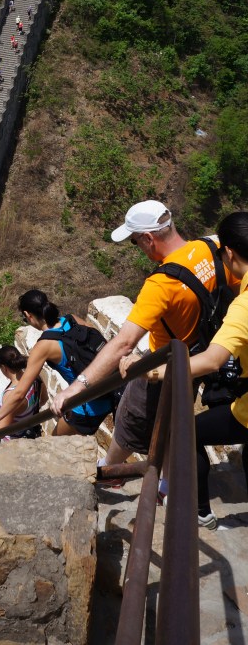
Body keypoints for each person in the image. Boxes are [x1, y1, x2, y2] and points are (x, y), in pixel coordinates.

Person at [52, 200, 239, 466]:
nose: (138, 248)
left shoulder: (161, 284)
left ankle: (112, 470)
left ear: (149, 239)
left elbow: (124, 343)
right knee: (178, 417)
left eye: (135, 241)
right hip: (207, 351)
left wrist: (76, 387)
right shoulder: (214, 246)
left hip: (166, 362)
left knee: (133, 418)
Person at [122, 212, 248, 529]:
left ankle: (199, 511)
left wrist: (151, 372)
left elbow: (211, 361)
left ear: (230, 252)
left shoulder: (244, 306)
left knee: (185, 433)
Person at [0, 291, 114, 440]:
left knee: (52, 445)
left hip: (87, 406)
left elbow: (18, 393)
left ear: (28, 315)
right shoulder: (72, 320)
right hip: (110, 391)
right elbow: (103, 348)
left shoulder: (43, 346)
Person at [0, 345, 45, 438]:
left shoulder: (10, 395)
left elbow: (1, 430)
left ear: (4, 367)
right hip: (33, 433)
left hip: (15, 443)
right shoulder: (35, 377)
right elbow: (44, 399)